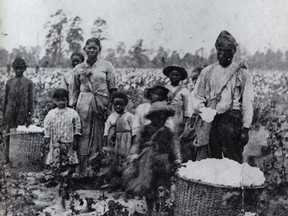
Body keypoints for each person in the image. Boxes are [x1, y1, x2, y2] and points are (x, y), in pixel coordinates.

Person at [193, 30, 254, 163]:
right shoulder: (207, 72)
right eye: (220, 51)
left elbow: (247, 103)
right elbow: (197, 96)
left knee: (233, 160)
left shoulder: (242, 74)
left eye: (228, 51)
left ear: (234, 52)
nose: (223, 55)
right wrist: (203, 109)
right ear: (216, 50)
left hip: (232, 121)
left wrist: (246, 128)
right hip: (212, 121)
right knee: (213, 159)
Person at [70, 38, 117, 177]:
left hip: (101, 104)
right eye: (89, 48)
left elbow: (113, 88)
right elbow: (74, 90)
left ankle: (97, 173)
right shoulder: (78, 68)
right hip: (83, 105)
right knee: (83, 136)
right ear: (85, 49)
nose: (91, 51)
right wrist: (72, 107)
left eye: (94, 48)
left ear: (99, 49)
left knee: (100, 136)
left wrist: (110, 107)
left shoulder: (107, 66)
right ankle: (83, 173)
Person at [126, 101, 181, 215]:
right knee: (149, 187)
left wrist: (177, 160)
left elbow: (174, 147)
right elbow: (137, 143)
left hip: (163, 163)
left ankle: (162, 208)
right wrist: (134, 154)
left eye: (163, 117)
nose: (161, 119)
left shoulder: (167, 132)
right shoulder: (145, 130)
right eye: (158, 116)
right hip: (147, 163)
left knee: (164, 186)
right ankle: (150, 209)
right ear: (152, 117)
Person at [43, 88, 81, 205]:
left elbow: (77, 124)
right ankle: (56, 179)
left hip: (68, 140)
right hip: (56, 141)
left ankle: (69, 181)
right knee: (56, 160)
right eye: (58, 100)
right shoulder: (51, 113)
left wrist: (76, 136)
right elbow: (47, 126)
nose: (61, 103)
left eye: (64, 100)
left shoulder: (72, 112)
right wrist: (47, 136)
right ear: (54, 101)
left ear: (67, 100)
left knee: (69, 161)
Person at [2, 57, 34, 163]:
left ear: (24, 69)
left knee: (20, 133)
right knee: (8, 133)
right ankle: (6, 157)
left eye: (21, 68)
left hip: (22, 111)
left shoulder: (29, 83)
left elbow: (31, 100)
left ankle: (18, 157)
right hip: (9, 111)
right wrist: (3, 114)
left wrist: (29, 114)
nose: (18, 70)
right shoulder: (9, 82)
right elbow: (5, 99)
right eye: (16, 68)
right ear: (13, 69)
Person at [104, 91, 135, 156]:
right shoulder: (111, 117)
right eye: (116, 104)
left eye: (121, 104)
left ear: (125, 104)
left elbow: (134, 132)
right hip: (114, 143)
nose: (118, 106)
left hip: (126, 142)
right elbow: (106, 132)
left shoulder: (130, 116)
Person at [163, 65, 192, 135]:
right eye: (172, 75)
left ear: (181, 77)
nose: (174, 77)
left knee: (176, 135)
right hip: (165, 115)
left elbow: (187, 107)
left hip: (178, 116)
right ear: (168, 76)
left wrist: (186, 121)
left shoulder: (185, 91)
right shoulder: (164, 88)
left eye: (177, 75)